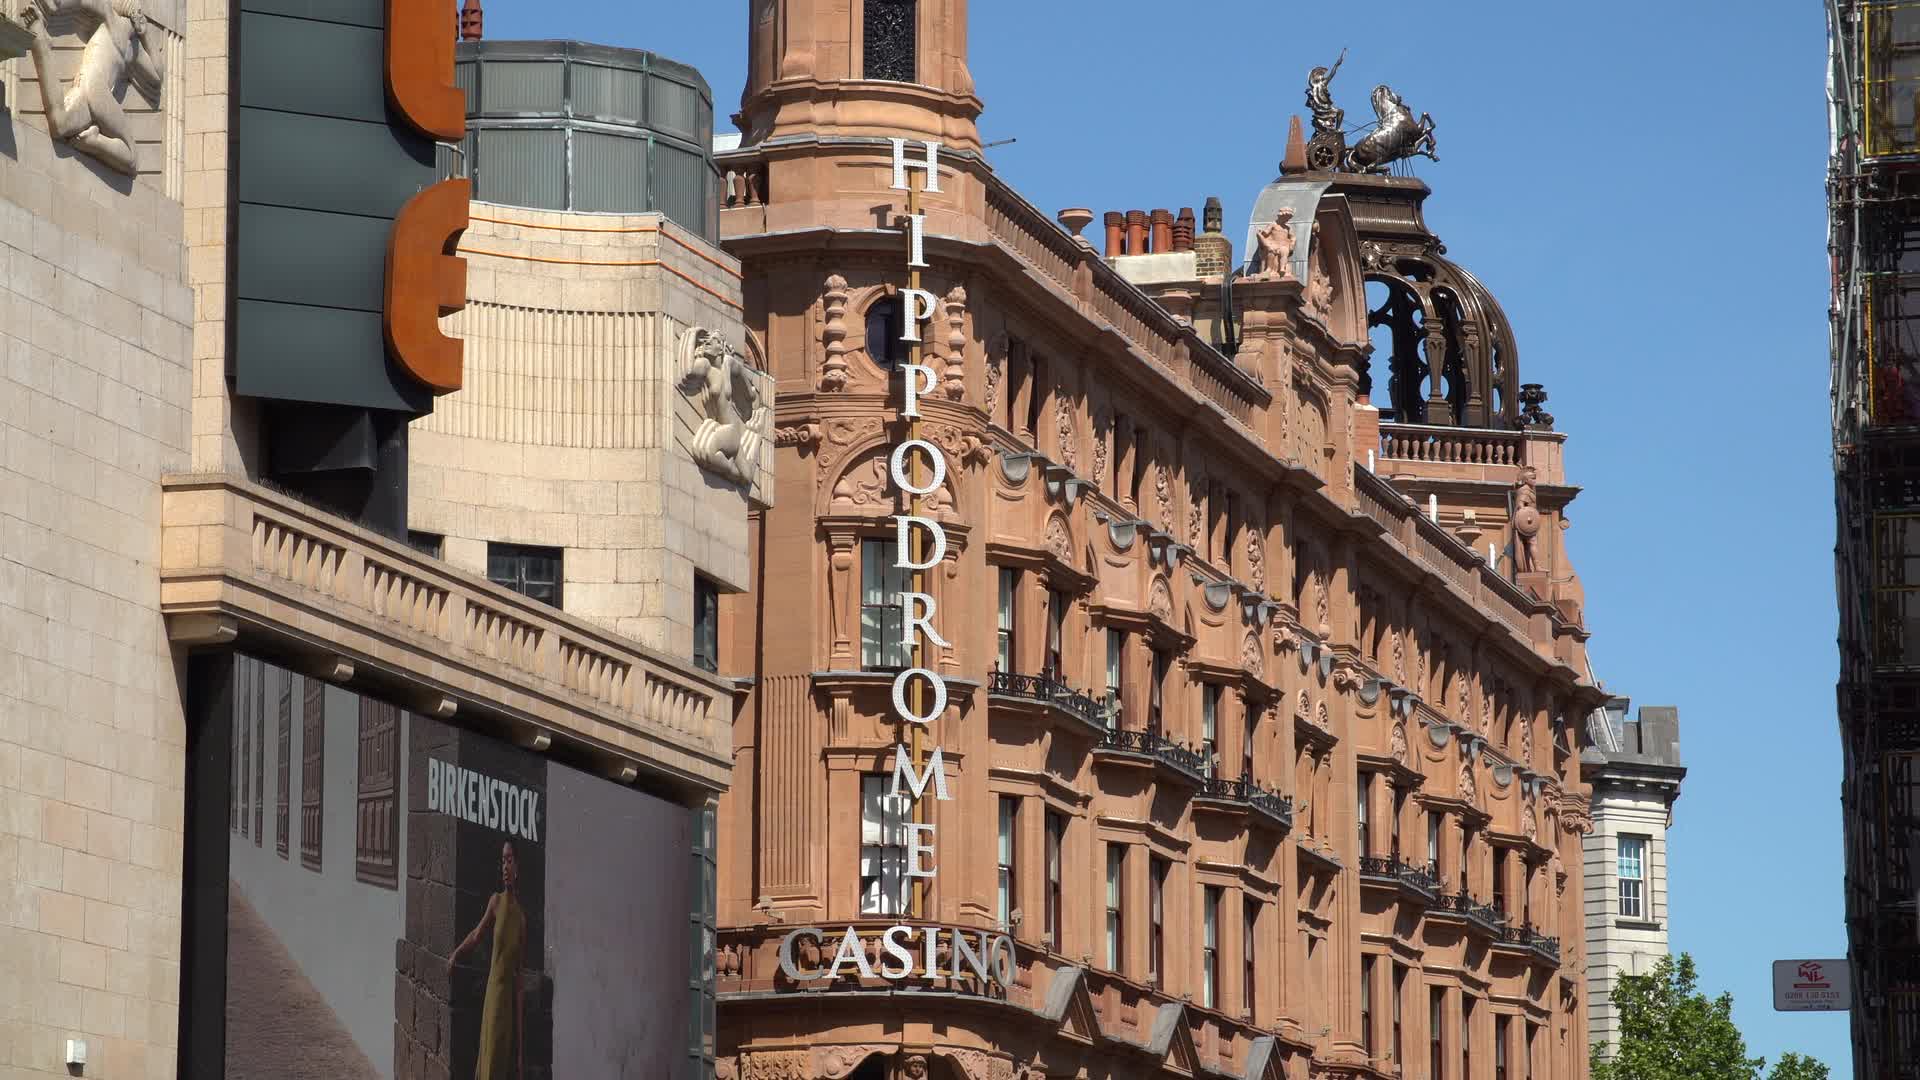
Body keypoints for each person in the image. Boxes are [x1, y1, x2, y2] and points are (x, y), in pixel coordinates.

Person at [448, 841, 526, 1080]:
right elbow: (476, 934)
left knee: (501, 1067)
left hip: (508, 1007)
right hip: (493, 999)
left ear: (518, 866)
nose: (504, 866)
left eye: (509, 860)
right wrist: (456, 954)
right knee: (488, 1065)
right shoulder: (496, 902)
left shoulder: (522, 920)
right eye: (503, 860)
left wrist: (521, 1049)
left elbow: (520, 980)